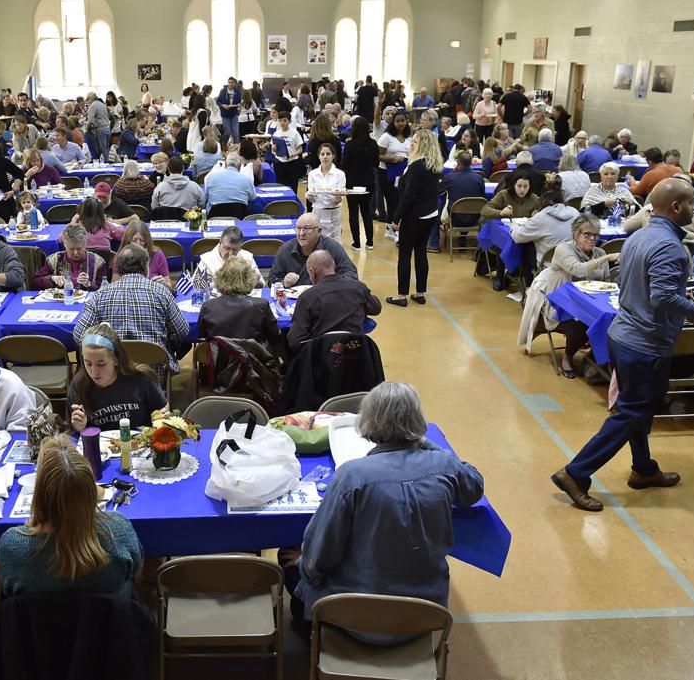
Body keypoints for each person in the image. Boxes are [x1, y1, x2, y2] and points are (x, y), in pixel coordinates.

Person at [552, 179, 694, 512]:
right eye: (692, 204)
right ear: (677, 207)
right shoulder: (669, 246)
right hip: (646, 344)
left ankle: (643, 469)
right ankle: (575, 473)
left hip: (624, 335)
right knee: (632, 411)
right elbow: (664, 297)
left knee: (640, 406)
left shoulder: (639, 236)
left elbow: (630, 283)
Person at [290, 382, 483, 622]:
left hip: (356, 616)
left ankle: (321, 642)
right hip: (424, 615)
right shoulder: (444, 465)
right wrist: (425, 443)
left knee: (291, 567)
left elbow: (319, 556)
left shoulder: (352, 476)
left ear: (368, 420)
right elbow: (474, 486)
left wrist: (303, 563)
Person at [0, 438, 143, 597]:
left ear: (39, 493)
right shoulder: (118, 531)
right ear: (91, 491)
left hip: (42, 621)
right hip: (109, 620)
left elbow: (8, 590)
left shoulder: (11, 546)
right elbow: (135, 568)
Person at [518, 215, 618, 377]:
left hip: (590, 300)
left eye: (595, 235)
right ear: (576, 234)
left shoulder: (599, 251)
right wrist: (606, 258)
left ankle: (602, 358)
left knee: (611, 318)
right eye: (587, 234)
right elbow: (577, 269)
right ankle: (567, 357)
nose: (592, 239)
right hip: (559, 301)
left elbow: (606, 281)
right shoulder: (564, 249)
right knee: (580, 320)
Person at [74, 246, 188, 369]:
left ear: (119, 269)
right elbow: (182, 331)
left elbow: (79, 335)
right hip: (154, 375)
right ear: (146, 268)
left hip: (114, 373)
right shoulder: (162, 292)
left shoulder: (99, 296)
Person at [68, 322, 168, 431]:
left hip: (140, 442)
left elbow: (163, 408)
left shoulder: (141, 379)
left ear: (117, 359)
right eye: (88, 363)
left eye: (101, 364)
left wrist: (162, 417)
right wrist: (79, 426)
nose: (94, 371)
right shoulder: (79, 384)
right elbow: (72, 431)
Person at [386, 131, 442, 307]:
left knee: (404, 255)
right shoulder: (434, 165)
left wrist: (396, 218)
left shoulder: (417, 166)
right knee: (420, 253)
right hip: (430, 214)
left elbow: (409, 196)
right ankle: (419, 292)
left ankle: (401, 295)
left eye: (415, 143)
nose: (411, 145)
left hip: (415, 216)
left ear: (423, 145)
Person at [287, 251, 380, 351]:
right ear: (334, 265)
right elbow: (376, 309)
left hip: (320, 360)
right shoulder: (358, 287)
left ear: (312, 272)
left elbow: (295, 341)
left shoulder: (307, 297)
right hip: (356, 356)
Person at [198, 256, 281, 353]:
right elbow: (275, 339)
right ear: (248, 279)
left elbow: (202, 339)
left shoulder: (208, 306)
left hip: (219, 364)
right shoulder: (261, 305)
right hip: (255, 364)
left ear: (221, 278)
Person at [270, 212, 358, 286]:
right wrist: (283, 283)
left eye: (307, 229)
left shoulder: (332, 248)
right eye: (298, 228)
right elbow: (272, 280)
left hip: (324, 299)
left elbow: (351, 275)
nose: (301, 233)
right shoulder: (286, 249)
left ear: (319, 231)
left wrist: (332, 284)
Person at [511, 184, 578, 265]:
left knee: (526, 250)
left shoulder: (541, 217)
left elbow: (517, 237)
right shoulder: (574, 212)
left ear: (542, 199)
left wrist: (513, 226)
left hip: (551, 267)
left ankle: (526, 277)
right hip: (576, 262)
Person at [32, 223, 108, 292]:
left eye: (79, 248)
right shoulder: (53, 260)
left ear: (85, 244)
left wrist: (89, 284)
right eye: (71, 249)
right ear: (65, 245)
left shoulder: (98, 262)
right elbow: (34, 283)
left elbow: (104, 290)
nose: (75, 253)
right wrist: (51, 278)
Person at [342, 116, 380, 250]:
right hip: (369, 180)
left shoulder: (350, 145)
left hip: (352, 181)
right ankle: (370, 241)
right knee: (367, 211)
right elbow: (376, 163)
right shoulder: (373, 144)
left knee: (353, 212)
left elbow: (344, 164)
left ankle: (356, 242)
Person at [305, 143, 346, 240]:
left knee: (334, 243)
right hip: (318, 212)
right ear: (319, 156)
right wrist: (310, 196)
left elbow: (337, 200)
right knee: (316, 242)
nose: (325, 157)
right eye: (322, 154)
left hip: (334, 213)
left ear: (333, 156)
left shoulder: (340, 174)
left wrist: (338, 197)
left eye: (328, 154)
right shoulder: (312, 174)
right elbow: (312, 199)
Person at [376, 111, 412, 222]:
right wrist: (393, 159)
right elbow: (376, 156)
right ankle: (390, 227)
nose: (401, 123)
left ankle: (400, 228)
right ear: (393, 123)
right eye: (398, 121)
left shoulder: (409, 137)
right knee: (392, 202)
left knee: (403, 201)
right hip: (387, 174)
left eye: (403, 121)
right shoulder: (386, 137)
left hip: (404, 173)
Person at [116, 221, 171, 288]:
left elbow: (169, 284)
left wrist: (164, 283)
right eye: (134, 240)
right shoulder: (122, 256)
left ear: (147, 241)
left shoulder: (157, 254)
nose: (138, 244)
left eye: (141, 240)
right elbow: (114, 283)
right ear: (128, 240)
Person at [268, 112, 306, 195]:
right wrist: (274, 149)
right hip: (280, 163)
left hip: (292, 163)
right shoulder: (276, 134)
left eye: (285, 120)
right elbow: (273, 149)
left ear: (289, 121)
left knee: (293, 186)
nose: (282, 122)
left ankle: (292, 205)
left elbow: (300, 149)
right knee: (280, 187)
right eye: (280, 120)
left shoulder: (295, 133)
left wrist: (292, 154)